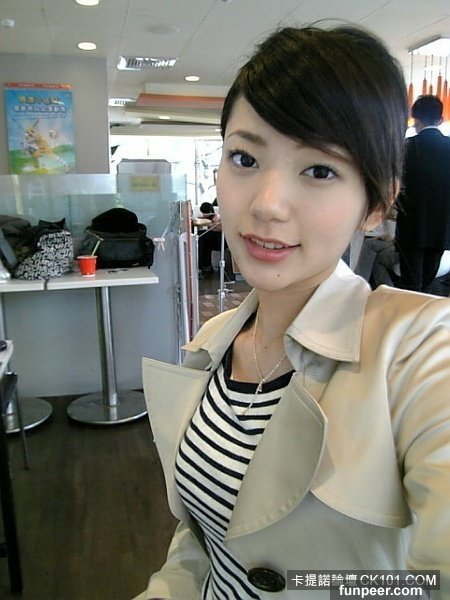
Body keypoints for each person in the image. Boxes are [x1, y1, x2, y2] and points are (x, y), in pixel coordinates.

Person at [137, 25, 450, 600]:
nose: (267, 205)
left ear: (375, 204)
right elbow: (201, 540)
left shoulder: (421, 350)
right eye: (244, 158)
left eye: (320, 170)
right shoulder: (213, 341)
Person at [395, 94, 450, 292]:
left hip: (411, 226)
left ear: (415, 119)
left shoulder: (405, 147)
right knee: (428, 279)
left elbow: (393, 184)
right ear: (440, 119)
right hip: (442, 228)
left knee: (410, 282)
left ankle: (410, 308)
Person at [197, 201, 222, 277]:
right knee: (202, 237)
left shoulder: (216, 217)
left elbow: (218, 228)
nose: (203, 215)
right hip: (215, 240)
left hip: (220, 241)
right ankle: (205, 267)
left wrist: (210, 224)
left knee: (203, 239)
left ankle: (205, 267)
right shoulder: (211, 217)